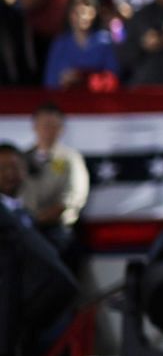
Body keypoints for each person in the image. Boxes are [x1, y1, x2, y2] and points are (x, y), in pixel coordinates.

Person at [22, 103, 89, 269]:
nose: (48, 131)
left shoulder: (71, 159)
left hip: (57, 232)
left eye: (54, 126)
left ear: (61, 129)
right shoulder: (22, 159)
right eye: (44, 125)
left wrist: (41, 218)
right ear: (34, 127)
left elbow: (73, 197)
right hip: (24, 230)